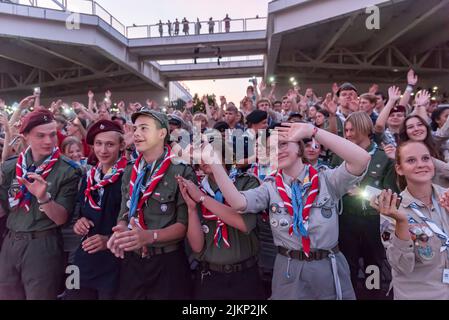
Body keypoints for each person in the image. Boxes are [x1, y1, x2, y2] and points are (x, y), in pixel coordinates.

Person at [206, 121, 371, 299]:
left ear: (299, 147)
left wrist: (313, 131)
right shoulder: (269, 187)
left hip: (327, 266)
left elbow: (361, 159)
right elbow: (238, 202)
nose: (278, 151)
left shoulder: (326, 180)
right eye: (271, 149)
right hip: (288, 269)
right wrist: (214, 163)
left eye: (283, 144)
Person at [107, 107, 196, 300]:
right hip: (133, 262)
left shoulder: (180, 171)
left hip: (167, 263)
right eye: (135, 129)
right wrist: (121, 232)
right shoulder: (130, 170)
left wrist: (150, 236)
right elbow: (124, 212)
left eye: (144, 128)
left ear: (162, 133)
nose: (137, 134)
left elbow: (184, 226)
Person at [0, 109, 81, 299]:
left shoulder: (67, 170)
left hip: (42, 245)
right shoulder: (11, 167)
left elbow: (61, 218)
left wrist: (44, 198)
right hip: (11, 242)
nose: (48, 141)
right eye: (40, 136)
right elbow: (4, 210)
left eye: (52, 134)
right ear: (25, 136)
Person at [175, 144, 265, 300]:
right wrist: (191, 208)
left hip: (245, 275)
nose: (205, 159)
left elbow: (244, 224)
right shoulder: (196, 189)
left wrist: (203, 199)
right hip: (209, 276)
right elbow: (196, 247)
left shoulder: (245, 183)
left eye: (210, 153)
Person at [331, 111, 397, 299]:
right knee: (347, 264)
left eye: (353, 129)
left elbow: (391, 194)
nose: (348, 134)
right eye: (347, 130)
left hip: (373, 221)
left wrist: (363, 193)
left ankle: (372, 295)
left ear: (366, 129)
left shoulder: (383, 157)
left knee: (372, 266)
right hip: (346, 221)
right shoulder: (338, 156)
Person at [371, 141, 449, 300]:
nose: (421, 164)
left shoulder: (446, 197)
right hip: (420, 294)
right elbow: (403, 267)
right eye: (411, 160)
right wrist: (402, 223)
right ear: (399, 169)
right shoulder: (394, 209)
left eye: (425, 158)